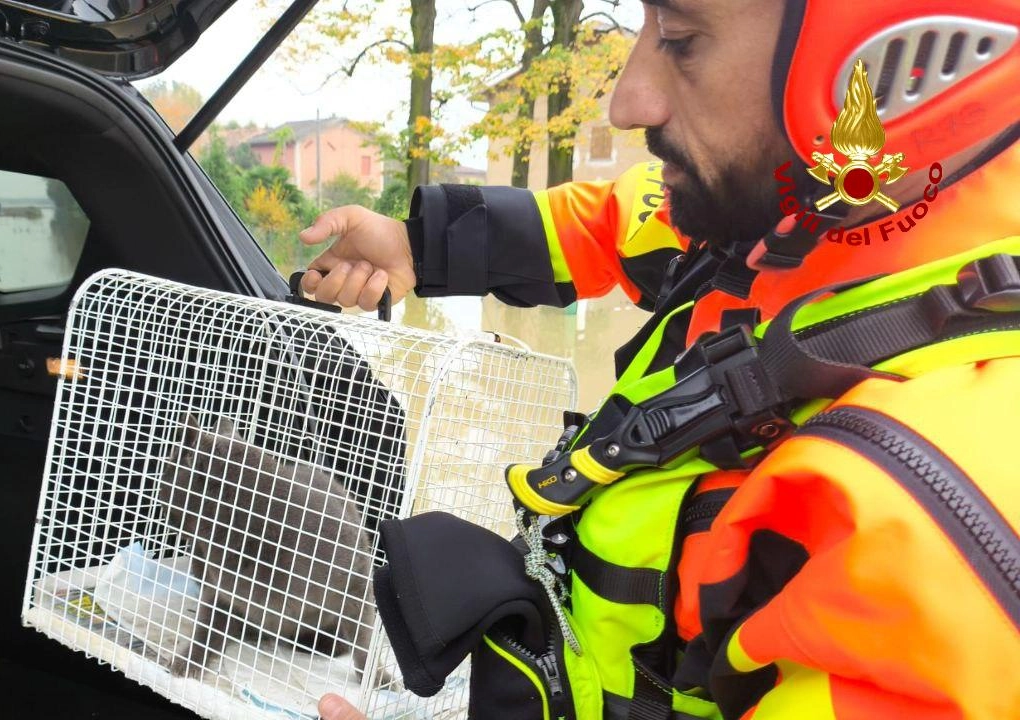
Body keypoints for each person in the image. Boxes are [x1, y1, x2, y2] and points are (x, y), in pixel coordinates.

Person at [301, 0, 1020, 718]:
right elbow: (619, 217)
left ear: (877, 63)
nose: (627, 101)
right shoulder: (801, 210)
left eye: (680, 40)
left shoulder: (937, 521)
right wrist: (419, 245)